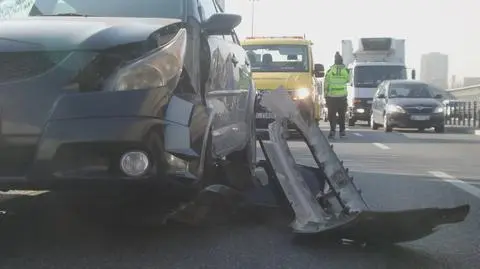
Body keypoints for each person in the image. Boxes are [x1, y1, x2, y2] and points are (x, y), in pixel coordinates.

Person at [324, 52, 350, 138]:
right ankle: (342, 131)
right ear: (341, 61)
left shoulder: (330, 71)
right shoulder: (346, 71)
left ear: (334, 61)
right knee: (342, 115)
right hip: (342, 97)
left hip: (331, 97)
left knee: (332, 115)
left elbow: (326, 84)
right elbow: (348, 80)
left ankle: (332, 131)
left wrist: (325, 95)